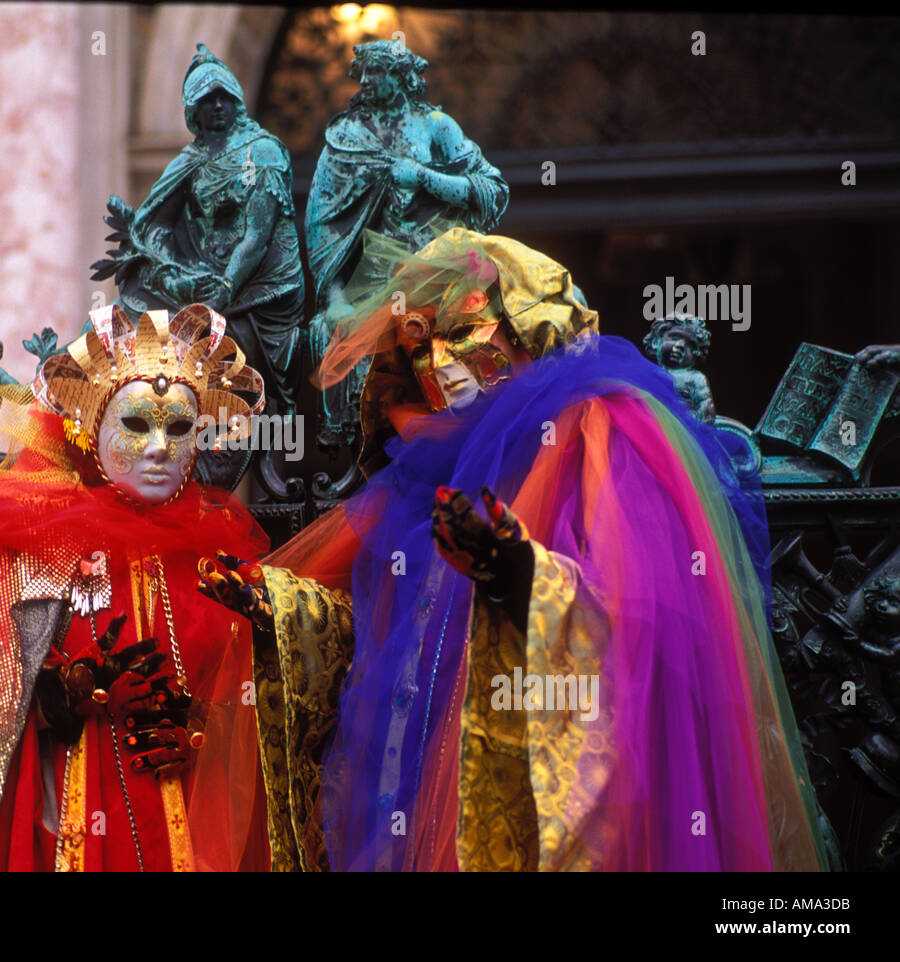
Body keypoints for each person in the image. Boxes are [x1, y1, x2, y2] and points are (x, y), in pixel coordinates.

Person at [200, 227, 827, 871]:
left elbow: (645, 616)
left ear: (526, 327)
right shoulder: (417, 473)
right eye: (422, 343)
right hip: (423, 778)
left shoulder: (599, 428)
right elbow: (370, 630)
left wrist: (520, 577)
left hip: (555, 780)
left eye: (466, 331)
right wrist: (275, 609)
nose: (441, 360)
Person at [0, 303, 275, 871]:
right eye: (136, 423)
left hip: (189, 820)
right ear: (89, 431)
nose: (160, 446)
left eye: (179, 426)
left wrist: (204, 736)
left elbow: (253, 699)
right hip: (67, 820)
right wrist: (68, 692)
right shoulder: (36, 539)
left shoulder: (216, 558)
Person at [305, 40, 508, 446]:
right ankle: (368, 449)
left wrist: (423, 176)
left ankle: (464, 444)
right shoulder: (345, 137)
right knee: (349, 344)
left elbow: (491, 188)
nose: (365, 81)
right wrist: (333, 295)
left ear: (400, 76)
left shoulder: (436, 126)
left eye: (376, 72)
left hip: (441, 273)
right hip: (373, 282)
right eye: (362, 72)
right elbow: (321, 223)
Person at [95, 45, 305, 417]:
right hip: (201, 279)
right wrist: (165, 266)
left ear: (237, 102)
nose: (218, 107)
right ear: (194, 111)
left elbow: (256, 237)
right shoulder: (191, 159)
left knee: (186, 333)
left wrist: (223, 288)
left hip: (257, 289)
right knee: (120, 319)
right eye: (207, 101)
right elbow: (155, 223)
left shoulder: (264, 153)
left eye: (224, 98)